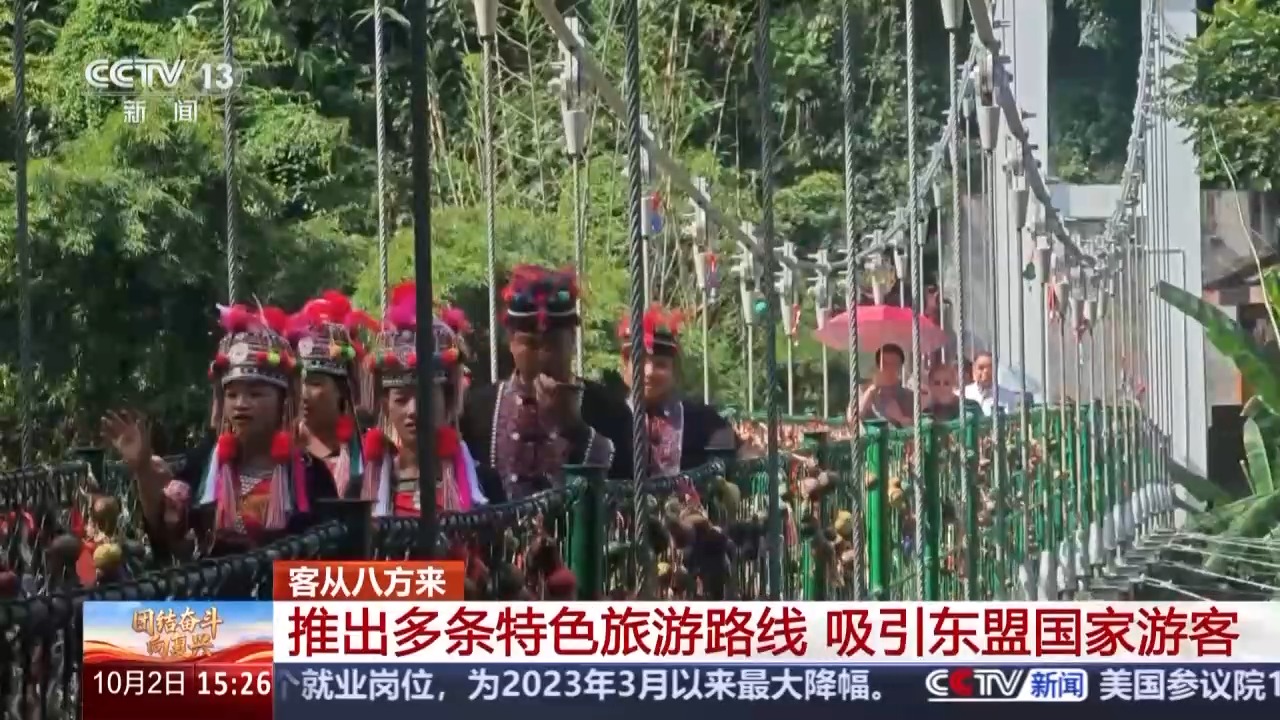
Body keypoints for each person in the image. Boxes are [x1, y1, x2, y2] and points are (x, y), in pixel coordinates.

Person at [101, 304, 338, 560]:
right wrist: (142, 470)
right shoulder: (206, 461)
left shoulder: (311, 475)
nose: (241, 404)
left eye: (255, 394)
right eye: (232, 395)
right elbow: (166, 535)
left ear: (283, 401)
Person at [461, 265, 619, 500]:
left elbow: (625, 492)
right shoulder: (477, 412)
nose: (544, 356)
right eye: (532, 344)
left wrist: (575, 428)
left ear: (572, 340)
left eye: (553, 344)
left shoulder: (611, 411)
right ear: (511, 342)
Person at [361, 282, 494, 516]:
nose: (413, 410)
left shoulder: (485, 482)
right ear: (385, 406)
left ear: (448, 400)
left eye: (425, 398)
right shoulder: (364, 489)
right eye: (401, 400)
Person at [617, 304, 736, 474]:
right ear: (625, 366)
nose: (649, 373)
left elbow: (739, 461)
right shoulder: (603, 419)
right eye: (640, 362)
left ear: (674, 371)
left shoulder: (705, 422)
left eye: (661, 365)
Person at [287, 291, 378, 498]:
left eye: (315, 383)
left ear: (342, 390)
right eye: (300, 383)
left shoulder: (371, 453)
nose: (304, 394)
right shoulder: (282, 451)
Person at [854, 343, 915, 427]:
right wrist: (872, 389)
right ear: (878, 366)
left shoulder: (909, 396)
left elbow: (916, 426)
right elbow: (852, 419)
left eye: (894, 364)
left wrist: (900, 418)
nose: (890, 369)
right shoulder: (864, 391)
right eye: (885, 364)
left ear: (901, 367)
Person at [963, 351, 1022, 416]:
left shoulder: (1008, 396)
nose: (985, 372)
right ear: (974, 370)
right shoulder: (964, 394)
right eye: (981, 368)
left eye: (990, 368)